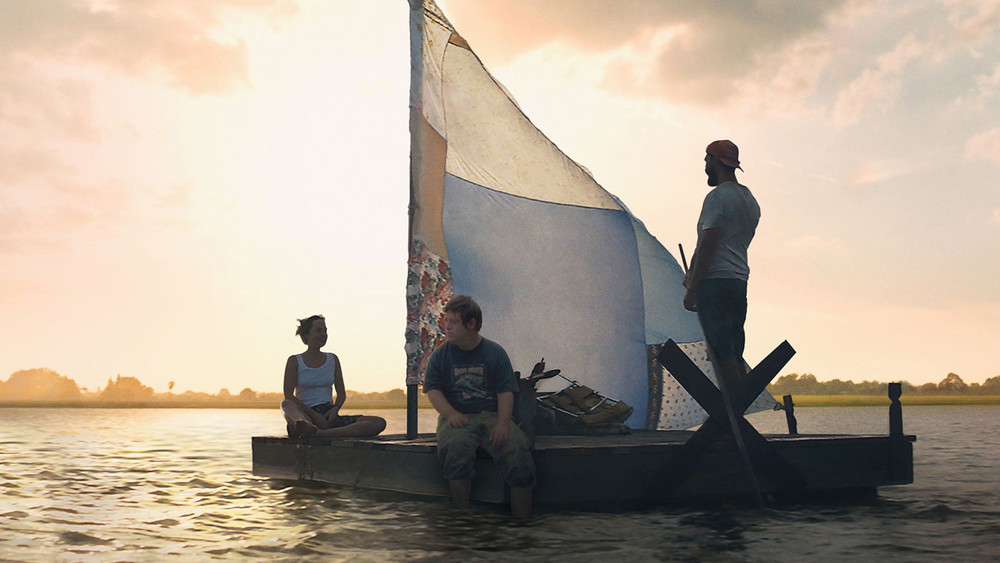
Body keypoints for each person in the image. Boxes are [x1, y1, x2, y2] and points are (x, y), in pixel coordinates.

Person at [423, 295, 535, 519]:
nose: (447, 327)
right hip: (457, 416)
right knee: (455, 447)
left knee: (518, 450)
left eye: (453, 322)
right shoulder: (440, 355)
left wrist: (503, 424)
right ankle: (464, 519)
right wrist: (450, 414)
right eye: (447, 321)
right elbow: (433, 391)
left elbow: (505, 392)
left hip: (492, 415)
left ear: (471, 324)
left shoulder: (495, 353)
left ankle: (523, 522)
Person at [683, 140, 761, 391]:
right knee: (735, 348)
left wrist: (693, 287)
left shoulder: (717, 197)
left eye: (707, 160)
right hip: (738, 281)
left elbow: (709, 243)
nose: (705, 165)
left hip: (715, 282)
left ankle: (732, 417)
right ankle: (736, 416)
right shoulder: (749, 200)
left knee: (720, 349)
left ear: (715, 160)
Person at [281, 314, 386, 439]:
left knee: (378, 422)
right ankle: (305, 427)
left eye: (325, 331)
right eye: (318, 330)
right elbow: (289, 395)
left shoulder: (332, 359)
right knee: (286, 404)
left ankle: (321, 434)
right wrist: (314, 416)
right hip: (305, 415)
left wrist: (334, 410)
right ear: (306, 336)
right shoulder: (295, 361)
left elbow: (341, 394)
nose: (323, 334)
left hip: (328, 414)